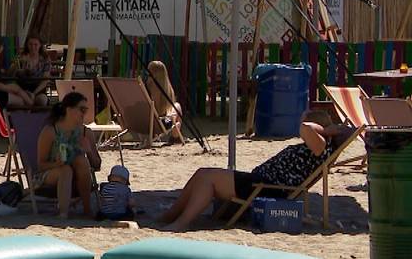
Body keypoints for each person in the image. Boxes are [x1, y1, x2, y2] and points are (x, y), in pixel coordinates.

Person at [157, 111, 351, 231]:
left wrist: (325, 131)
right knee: (202, 173)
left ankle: (181, 223)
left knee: (208, 178)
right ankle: (171, 216)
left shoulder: (320, 145)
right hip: (261, 182)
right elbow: (306, 127)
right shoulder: (316, 144)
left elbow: (305, 127)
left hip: (268, 188)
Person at [35, 92, 99, 219]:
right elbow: (40, 165)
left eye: (86, 110)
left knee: (81, 160)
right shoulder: (50, 131)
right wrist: (56, 164)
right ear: (68, 109)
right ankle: (63, 213)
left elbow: (97, 165)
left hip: (79, 177)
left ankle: (87, 209)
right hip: (51, 174)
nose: (84, 113)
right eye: (82, 109)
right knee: (66, 170)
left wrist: (89, 151)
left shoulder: (86, 133)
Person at [143, 60, 184, 144]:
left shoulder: (145, 86)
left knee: (175, 108)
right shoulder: (164, 89)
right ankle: (175, 135)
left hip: (143, 121)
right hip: (159, 123)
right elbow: (160, 111)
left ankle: (175, 133)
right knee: (177, 106)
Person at [14, 36, 53, 104]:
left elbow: (45, 80)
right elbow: (13, 73)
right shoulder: (21, 56)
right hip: (22, 89)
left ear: (40, 45)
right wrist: (19, 67)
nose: (33, 47)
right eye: (30, 44)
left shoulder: (45, 59)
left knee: (42, 100)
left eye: (35, 44)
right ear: (27, 45)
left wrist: (34, 93)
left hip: (38, 89)